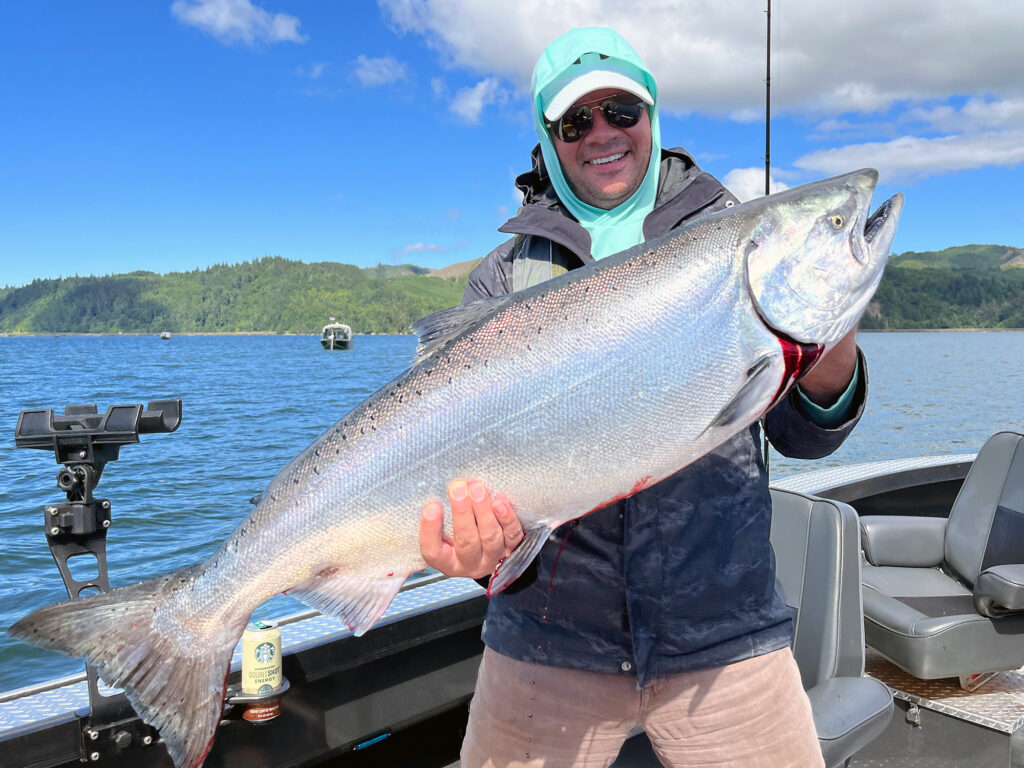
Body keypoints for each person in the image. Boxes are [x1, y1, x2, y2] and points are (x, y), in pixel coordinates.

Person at [419, 26, 865, 768]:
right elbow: (478, 522)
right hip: (545, 648)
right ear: (550, 139)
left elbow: (804, 436)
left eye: (620, 110)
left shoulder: (739, 240)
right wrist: (472, 553)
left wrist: (830, 354)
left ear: (651, 115)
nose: (602, 134)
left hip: (725, 643)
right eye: (575, 121)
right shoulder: (503, 278)